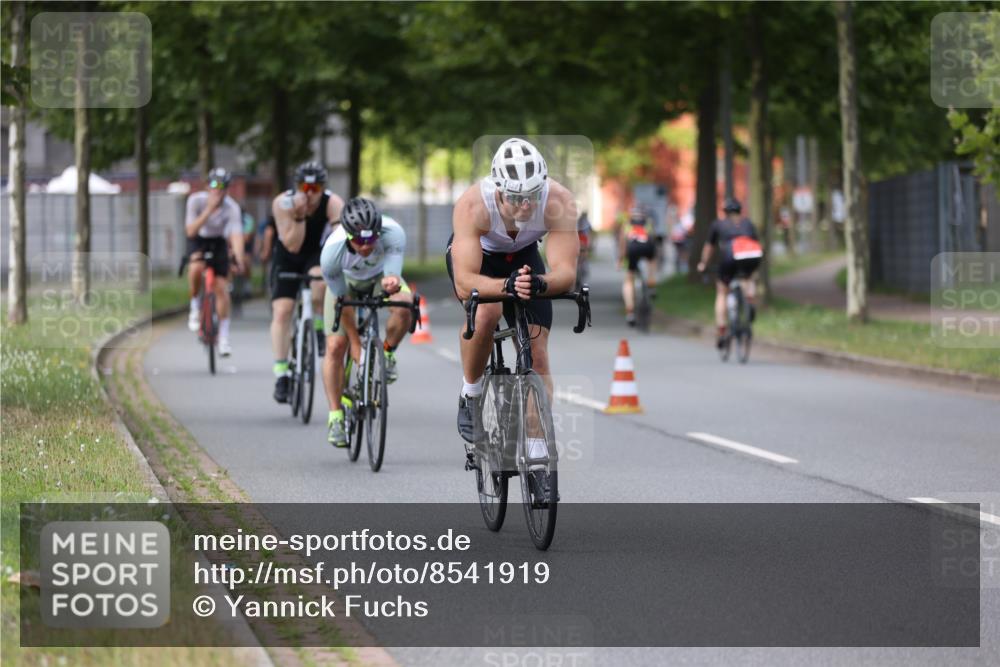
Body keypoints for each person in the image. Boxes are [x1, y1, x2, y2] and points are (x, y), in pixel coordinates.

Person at [446, 137, 578, 465]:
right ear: (499, 190)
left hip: (524, 258)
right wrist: (504, 286)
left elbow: (565, 273)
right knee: (487, 312)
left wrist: (539, 283)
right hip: (482, 261)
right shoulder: (473, 205)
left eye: (532, 195)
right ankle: (471, 393)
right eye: (517, 197)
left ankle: (537, 455)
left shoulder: (558, 200)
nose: (526, 206)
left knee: (538, 355)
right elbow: (465, 283)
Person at [320, 197, 413, 447]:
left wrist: (392, 281)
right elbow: (342, 300)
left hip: (378, 278)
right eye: (359, 240)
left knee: (405, 304)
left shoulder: (393, 233)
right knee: (335, 347)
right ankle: (336, 416)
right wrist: (356, 345)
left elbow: (393, 274)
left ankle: (388, 352)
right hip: (345, 283)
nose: (365, 246)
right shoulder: (331, 254)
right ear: (347, 234)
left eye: (371, 239)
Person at [269, 161, 344, 404]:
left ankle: (320, 327)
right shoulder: (282, 203)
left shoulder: (333, 203)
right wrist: (299, 216)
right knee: (282, 311)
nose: (310, 193)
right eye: (305, 187)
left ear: (323, 188)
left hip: (316, 253)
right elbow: (292, 244)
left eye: (316, 188)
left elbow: (338, 240)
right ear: (297, 187)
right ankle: (281, 373)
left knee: (319, 282)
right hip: (288, 254)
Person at [184, 167, 246, 357]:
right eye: (213, 185)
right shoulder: (196, 201)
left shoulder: (232, 207)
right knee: (195, 268)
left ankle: (224, 338)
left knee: (221, 287)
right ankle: (195, 306)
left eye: (222, 187)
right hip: (199, 239)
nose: (217, 190)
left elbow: (236, 236)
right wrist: (209, 209)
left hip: (218, 241)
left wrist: (239, 258)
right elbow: (191, 231)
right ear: (207, 186)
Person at [697, 197, 764, 348]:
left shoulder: (718, 224)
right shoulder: (748, 223)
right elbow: (758, 243)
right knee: (748, 278)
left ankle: (721, 330)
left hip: (730, 256)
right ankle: (750, 300)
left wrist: (703, 264)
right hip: (751, 255)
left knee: (722, 291)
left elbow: (709, 247)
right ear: (740, 211)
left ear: (725, 212)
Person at [617, 204, 658, 326]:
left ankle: (630, 311)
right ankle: (651, 283)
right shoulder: (648, 223)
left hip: (632, 249)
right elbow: (653, 241)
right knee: (652, 260)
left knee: (629, 280)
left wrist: (620, 259)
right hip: (647, 248)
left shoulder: (627, 224)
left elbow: (622, 242)